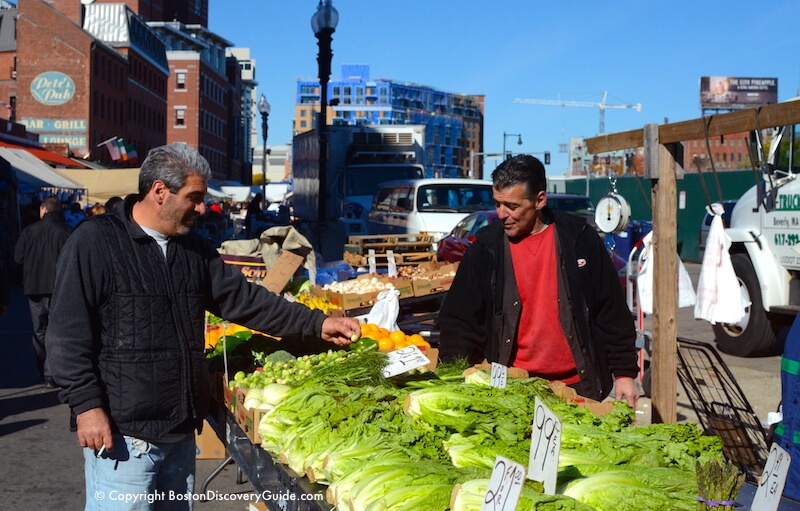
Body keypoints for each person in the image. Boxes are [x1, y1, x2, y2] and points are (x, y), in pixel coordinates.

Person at [46, 142, 360, 510]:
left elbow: (246, 300)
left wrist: (317, 323)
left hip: (179, 432)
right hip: (123, 437)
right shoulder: (95, 241)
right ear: (160, 191)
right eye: (194, 197)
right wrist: (86, 407)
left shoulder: (193, 249)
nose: (201, 208)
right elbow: (66, 336)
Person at [438, 155, 639, 408]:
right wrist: (452, 376)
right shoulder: (485, 248)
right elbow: (459, 320)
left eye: (512, 205)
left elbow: (611, 310)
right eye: (498, 203)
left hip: (578, 385)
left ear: (540, 200)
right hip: (511, 389)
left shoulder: (579, 239)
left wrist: (625, 374)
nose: (502, 214)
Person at [13, 196, 72, 388]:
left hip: (35, 287)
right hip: (58, 288)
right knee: (57, 331)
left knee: (39, 331)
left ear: (43, 210)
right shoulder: (66, 231)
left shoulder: (30, 231)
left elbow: (18, 258)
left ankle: (45, 370)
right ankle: (53, 371)